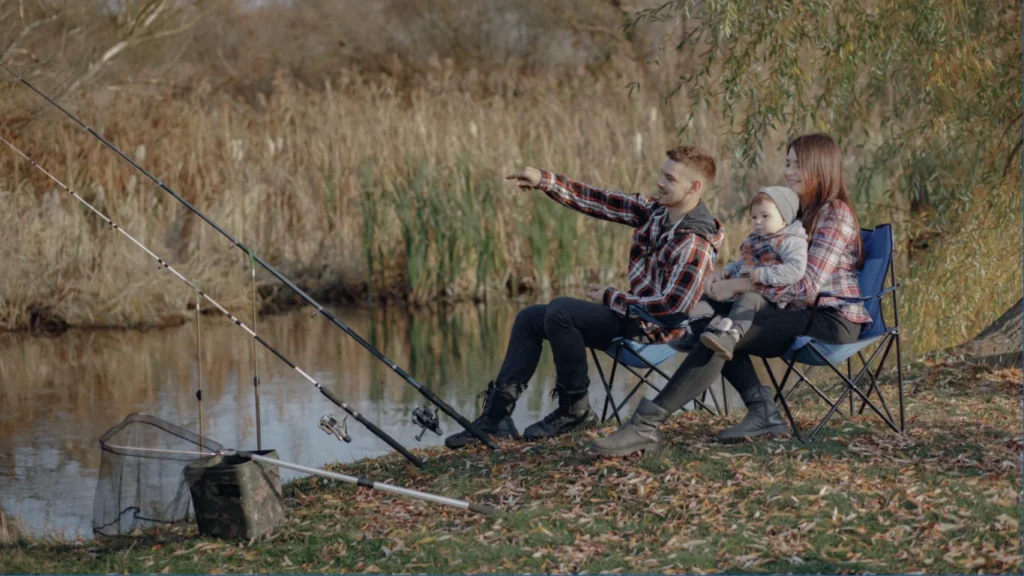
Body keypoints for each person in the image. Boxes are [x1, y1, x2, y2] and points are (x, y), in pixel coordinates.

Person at [590, 133, 871, 457]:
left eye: (797, 165)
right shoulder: (798, 212)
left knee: (723, 332)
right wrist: (726, 275)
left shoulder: (834, 214)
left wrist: (739, 286)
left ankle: (644, 426)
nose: (789, 171)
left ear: (819, 167)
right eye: (787, 163)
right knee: (708, 320)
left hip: (831, 318)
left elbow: (806, 286)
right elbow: (765, 261)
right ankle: (762, 412)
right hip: (794, 310)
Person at [444, 146, 724, 449]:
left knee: (562, 311)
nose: (660, 182)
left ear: (694, 187)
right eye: (662, 173)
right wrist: (543, 180)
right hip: (632, 317)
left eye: (669, 178)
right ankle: (496, 418)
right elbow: (598, 200)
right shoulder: (655, 212)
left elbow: (673, 310)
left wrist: (611, 297)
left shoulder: (694, 242)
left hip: (657, 333)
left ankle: (574, 411)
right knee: (530, 318)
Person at [693, 185, 808, 360]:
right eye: (754, 217)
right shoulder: (756, 239)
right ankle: (698, 331)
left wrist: (763, 274)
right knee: (708, 295)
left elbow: (796, 269)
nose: (758, 221)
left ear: (784, 220)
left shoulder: (789, 241)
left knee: (748, 300)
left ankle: (731, 336)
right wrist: (729, 271)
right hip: (742, 291)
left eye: (765, 216)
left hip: (769, 300)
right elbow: (743, 262)